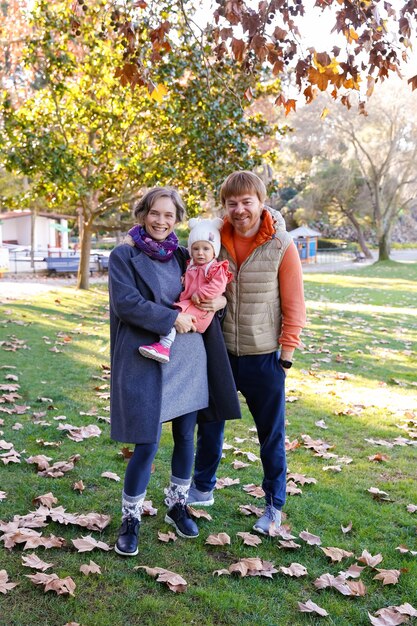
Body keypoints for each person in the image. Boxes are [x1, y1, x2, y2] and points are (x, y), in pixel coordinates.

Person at [108, 187, 240, 556]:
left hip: (190, 358)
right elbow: (127, 304)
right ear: (142, 214)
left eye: (169, 215)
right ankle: (130, 516)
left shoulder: (186, 255)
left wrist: (221, 299)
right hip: (146, 359)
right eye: (155, 213)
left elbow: (213, 284)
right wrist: (172, 317)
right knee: (146, 444)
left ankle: (176, 504)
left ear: (178, 219)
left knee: (186, 437)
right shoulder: (124, 256)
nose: (162, 221)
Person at [187, 171, 306, 534]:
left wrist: (286, 354)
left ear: (261, 200)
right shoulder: (213, 239)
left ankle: (273, 505)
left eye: (246, 202)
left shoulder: (281, 244)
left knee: (271, 435)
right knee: (209, 427)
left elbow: (294, 303)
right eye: (231, 203)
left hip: (264, 354)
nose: (239, 210)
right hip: (219, 352)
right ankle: (202, 489)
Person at [139, 217, 233, 363]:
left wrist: (201, 294)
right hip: (189, 304)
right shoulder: (191, 265)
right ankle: (163, 345)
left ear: (215, 251)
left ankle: (164, 346)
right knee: (171, 317)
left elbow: (218, 286)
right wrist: (184, 279)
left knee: (171, 319)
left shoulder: (215, 268)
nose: (200, 253)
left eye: (206, 248)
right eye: (196, 249)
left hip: (200, 309)